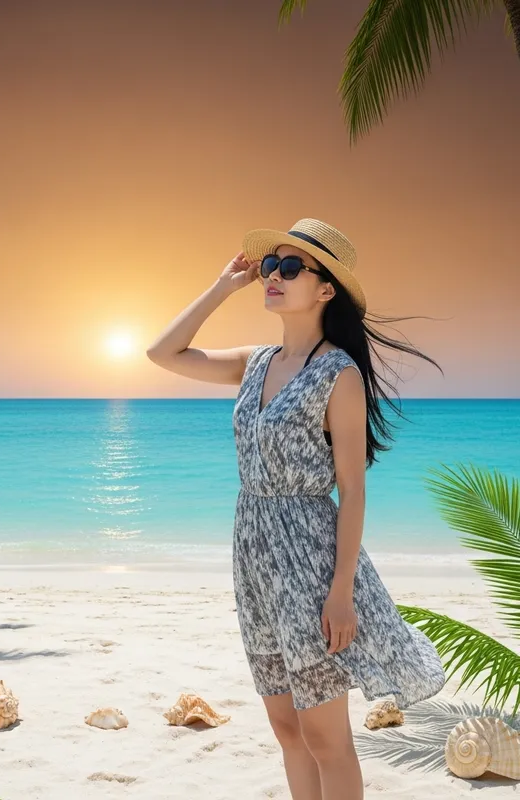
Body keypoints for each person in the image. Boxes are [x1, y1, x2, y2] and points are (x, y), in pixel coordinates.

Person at [146, 218, 447, 800]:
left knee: (325, 737)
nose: (273, 276)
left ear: (326, 288)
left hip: (311, 561)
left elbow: (353, 491)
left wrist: (341, 592)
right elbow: (163, 353)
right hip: (253, 556)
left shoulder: (339, 374)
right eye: (270, 265)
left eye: (290, 268)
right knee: (287, 729)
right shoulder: (254, 362)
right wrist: (221, 287)